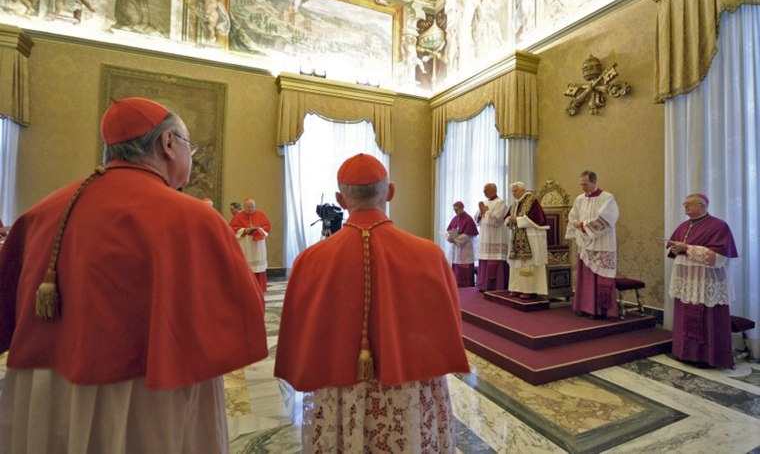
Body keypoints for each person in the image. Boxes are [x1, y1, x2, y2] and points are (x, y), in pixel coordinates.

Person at [0, 97, 269, 453]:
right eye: (190, 146)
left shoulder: (42, 212)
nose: (192, 155)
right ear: (168, 143)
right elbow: (242, 313)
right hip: (148, 393)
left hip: (47, 392)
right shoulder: (193, 217)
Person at [274, 153, 469, 453]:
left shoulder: (309, 260)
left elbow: (300, 331)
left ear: (340, 199)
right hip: (408, 386)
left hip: (341, 390)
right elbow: (447, 326)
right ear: (390, 192)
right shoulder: (429, 254)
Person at [667, 193, 737, 369]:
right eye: (684, 205)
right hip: (686, 282)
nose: (685, 207)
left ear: (702, 206)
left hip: (707, 282)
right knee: (684, 315)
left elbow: (719, 258)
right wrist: (676, 249)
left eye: (689, 205)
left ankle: (708, 358)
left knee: (707, 319)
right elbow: (673, 250)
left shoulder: (719, 226)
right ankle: (684, 353)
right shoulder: (683, 226)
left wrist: (687, 248)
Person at [566, 171, 619, 318]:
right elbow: (572, 217)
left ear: (595, 182)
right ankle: (585, 307)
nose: (582, 187)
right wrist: (577, 225)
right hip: (584, 243)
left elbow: (607, 219)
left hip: (602, 242)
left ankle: (601, 310)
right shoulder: (579, 199)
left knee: (601, 276)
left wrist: (583, 225)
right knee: (585, 276)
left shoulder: (607, 198)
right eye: (581, 184)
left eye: (585, 184)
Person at [506, 181, 549, 299]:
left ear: (522, 190)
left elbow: (537, 218)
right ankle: (516, 288)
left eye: (515, 191)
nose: (513, 193)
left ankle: (529, 289)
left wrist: (517, 220)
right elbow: (508, 216)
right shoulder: (515, 203)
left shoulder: (532, 200)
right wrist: (509, 220)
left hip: (531, 236)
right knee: (516, 263)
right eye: (512, 191)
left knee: (528, 263)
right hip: (517, 236)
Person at [230, 198, 271, 292]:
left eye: (252, 207)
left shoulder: (261, 215)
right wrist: (244, 230)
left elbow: (267, 227)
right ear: (244, 207)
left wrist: (258, 229)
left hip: (257, 246)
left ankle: (259, 288)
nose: (250, 208)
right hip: (245, 244)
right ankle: (245, 288)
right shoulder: (238, 216)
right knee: (246, 266)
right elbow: (232, 228)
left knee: (258, 267)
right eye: (248, 207)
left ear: (255, 207)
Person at [475, 183, 509, 292]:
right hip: (485, 236)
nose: (483, 192)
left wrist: (486, 212)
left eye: (485, 190)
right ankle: (483, 285)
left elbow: (498, 220)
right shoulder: (484, 202)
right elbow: (477, 219)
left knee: (495, 259)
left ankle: (496, 286)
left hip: (496, 236)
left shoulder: (501, 202)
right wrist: (480, 213)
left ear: (493, 189)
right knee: (485, 259)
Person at [446, 201, 478, 287]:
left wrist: (455, 239)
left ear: (462, 208)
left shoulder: (468, 219)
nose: (455, 212)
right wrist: (450, 235)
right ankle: (456, 285)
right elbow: (449, 230)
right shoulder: (455, 218)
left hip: (465, 247)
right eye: (454, 210)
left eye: (457, 210)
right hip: (456, 248)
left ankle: (466, 286)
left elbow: (468, 235)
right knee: (456, 265)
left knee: (464, 267)